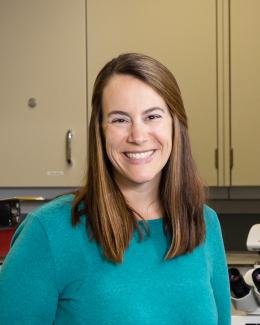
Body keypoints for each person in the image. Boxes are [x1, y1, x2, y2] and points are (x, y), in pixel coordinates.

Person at [0, 53, 231, 324]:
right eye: (120, 119)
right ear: (100, 130)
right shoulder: (49, 232)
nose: (138, 136)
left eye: (153, 116)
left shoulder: (204, 223)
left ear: (175, 124)